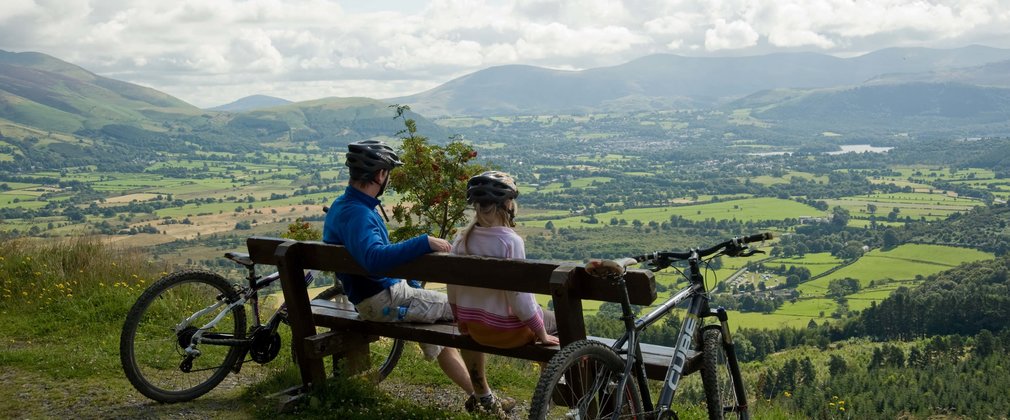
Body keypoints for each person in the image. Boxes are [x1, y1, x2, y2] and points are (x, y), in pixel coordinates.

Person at [322, 140, 475, 400]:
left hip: (374, 298)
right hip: (383, 300)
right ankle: (484, 396)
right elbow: (373, 259)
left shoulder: (342, 206)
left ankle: (477, 395)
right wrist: (423, 242)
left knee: (436, 314)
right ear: (381, 175)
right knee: (468, 311)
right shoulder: (359, 214)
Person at [447, 171, 560, 417]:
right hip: (511, 333)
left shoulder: (460, 240)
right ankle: (548, 394)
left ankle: (482, 395)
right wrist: (540, 333)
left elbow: (452, 292)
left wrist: (461, 321)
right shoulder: (510, 242)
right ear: (508, 205)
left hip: (475, 331)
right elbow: (520, 299)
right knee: (557, 323)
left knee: (541, 318)